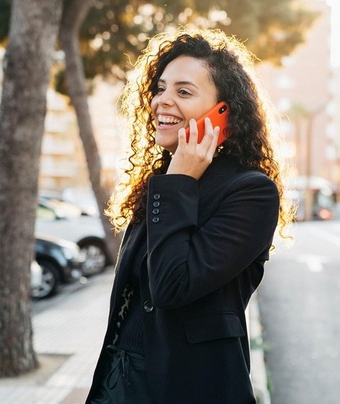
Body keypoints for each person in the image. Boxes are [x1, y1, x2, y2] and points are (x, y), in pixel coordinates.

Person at [86, 28, 294, 403]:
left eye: (183, 92)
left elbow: (171, 286)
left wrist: (181, 180)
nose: (162, 101)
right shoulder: (159, 181)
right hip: (120, 378)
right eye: (161, 88)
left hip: (191, 387)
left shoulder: (251, 191)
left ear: (224, 112)